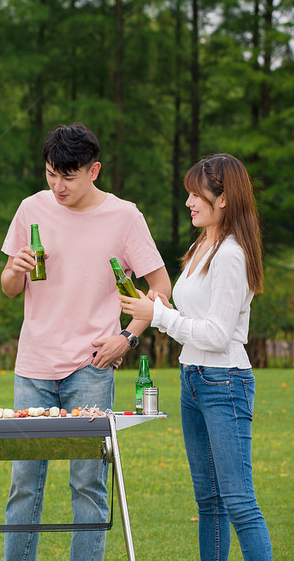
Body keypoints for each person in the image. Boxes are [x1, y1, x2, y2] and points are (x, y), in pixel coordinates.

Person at [0, 123, 171, 561]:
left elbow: (161, 288)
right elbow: (9, 288)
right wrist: (15, 269)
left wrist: (127, 338)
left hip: (91, 368)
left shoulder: (125, 216)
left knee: (88, 483)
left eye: (68, 176)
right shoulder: (30, 208)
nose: (57, 186)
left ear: (94, 170)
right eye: (50, 174)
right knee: (24, 483)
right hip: (33, 364)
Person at [120, 154, 273, 560]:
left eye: (196, 194)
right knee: (209, 502)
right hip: (194, 379)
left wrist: (160, 316)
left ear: (223, 199)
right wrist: (154, 308)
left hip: (225, 382)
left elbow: (219, 334)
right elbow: (194, 319)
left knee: (239, 502)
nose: (188, 202)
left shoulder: (231, 255)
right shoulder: (203, 245)